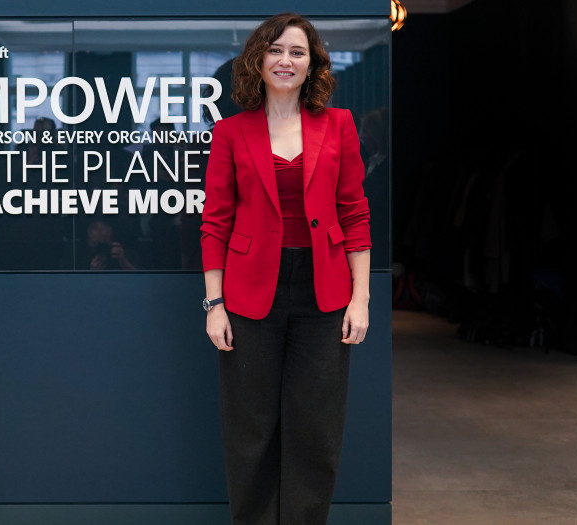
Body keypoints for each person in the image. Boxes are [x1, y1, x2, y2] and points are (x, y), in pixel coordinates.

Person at [200, 13, 371, 525]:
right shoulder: (231, 132)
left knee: (315, 428)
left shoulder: (338, 125)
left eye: (297, 52)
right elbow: (215, 223)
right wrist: (215, 304)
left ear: (312, 64)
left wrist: (359, 298)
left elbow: (355, 214)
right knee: (249, 429)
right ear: (259, 59)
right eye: (276, 50)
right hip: (251, 293)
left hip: (325, 294)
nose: (286, 60)